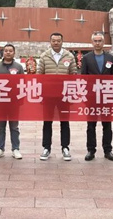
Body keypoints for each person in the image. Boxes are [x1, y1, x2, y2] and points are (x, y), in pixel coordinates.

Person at [37, 32, 78, 161]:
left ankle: (65, 147)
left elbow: (73, 75)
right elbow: (39, 75)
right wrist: (40, 93)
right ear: (50, 42)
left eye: (58, 41)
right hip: (48, 95)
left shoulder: (69, 56)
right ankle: (46, 148)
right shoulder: (44, 56)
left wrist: (72, 94)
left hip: (64, 95)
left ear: (62, 42)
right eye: (53, 40)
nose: (56, 43)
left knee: (65, 122)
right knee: (47, 122)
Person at [81, 32, 113, 161]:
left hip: (107, 96)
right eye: (95, 41)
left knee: (107, 125)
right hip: (92, 96)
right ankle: (91, 150)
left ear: (103, 42)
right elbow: (83, 77)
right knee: (91, 125)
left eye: (100, 41)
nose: (97, 43)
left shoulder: (110, 58)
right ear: (92, 42)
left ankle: (108, 150)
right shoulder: (86, 58)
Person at [0, 44, 24, 159]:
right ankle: (0, 148)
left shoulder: (19, 67)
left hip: (14, 102)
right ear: (3, 52)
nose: (8, 53)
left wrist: (21, 99)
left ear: (14, 53)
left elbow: (22, 84)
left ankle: (15, 149)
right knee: (0, 127)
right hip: (0, 101)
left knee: (14, 127)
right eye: (6, 51)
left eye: (10, 51)